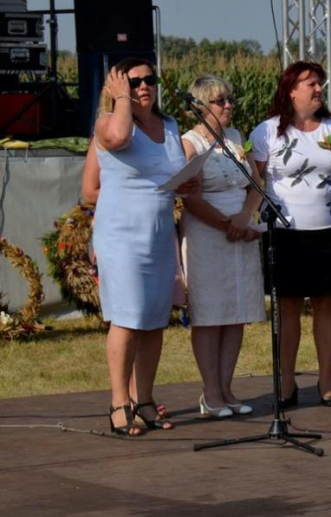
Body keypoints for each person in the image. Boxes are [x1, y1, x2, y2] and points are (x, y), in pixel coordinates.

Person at [93, 57, 197, 436]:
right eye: (133, 82)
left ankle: (145, 399)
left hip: (157, 234)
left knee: (154, 319)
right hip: (121, 236)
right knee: (127, 317)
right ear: (116, 87)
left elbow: (171, 173)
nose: (143, 87)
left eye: (148, 80)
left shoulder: (169, 126)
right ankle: (119, 403)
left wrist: (186, 183)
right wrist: (119, 100)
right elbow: (119, 139)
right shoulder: (108, 124)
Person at [249, 62, 331, 408]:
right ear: (291, 90)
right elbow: (252, 181)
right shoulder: (266, 133)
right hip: (286, 232)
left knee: (326, 305)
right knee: (288, 306)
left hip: (329, 228)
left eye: (320, 83)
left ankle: (326, 381)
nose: (319, 88)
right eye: (311, 83)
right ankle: (287, 381)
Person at [180, 75, 265, 418]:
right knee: (210, 315)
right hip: (207, 235)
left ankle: (227, 388)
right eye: (220, 101)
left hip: (241, 232)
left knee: (235, 314)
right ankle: (210, 393)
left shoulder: (235, 138)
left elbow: (256, 184)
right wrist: (226, 224)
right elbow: (190, 197)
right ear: (199, 107)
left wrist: (246, 216)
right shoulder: (189, 144)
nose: (229, 105)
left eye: (230, 99)